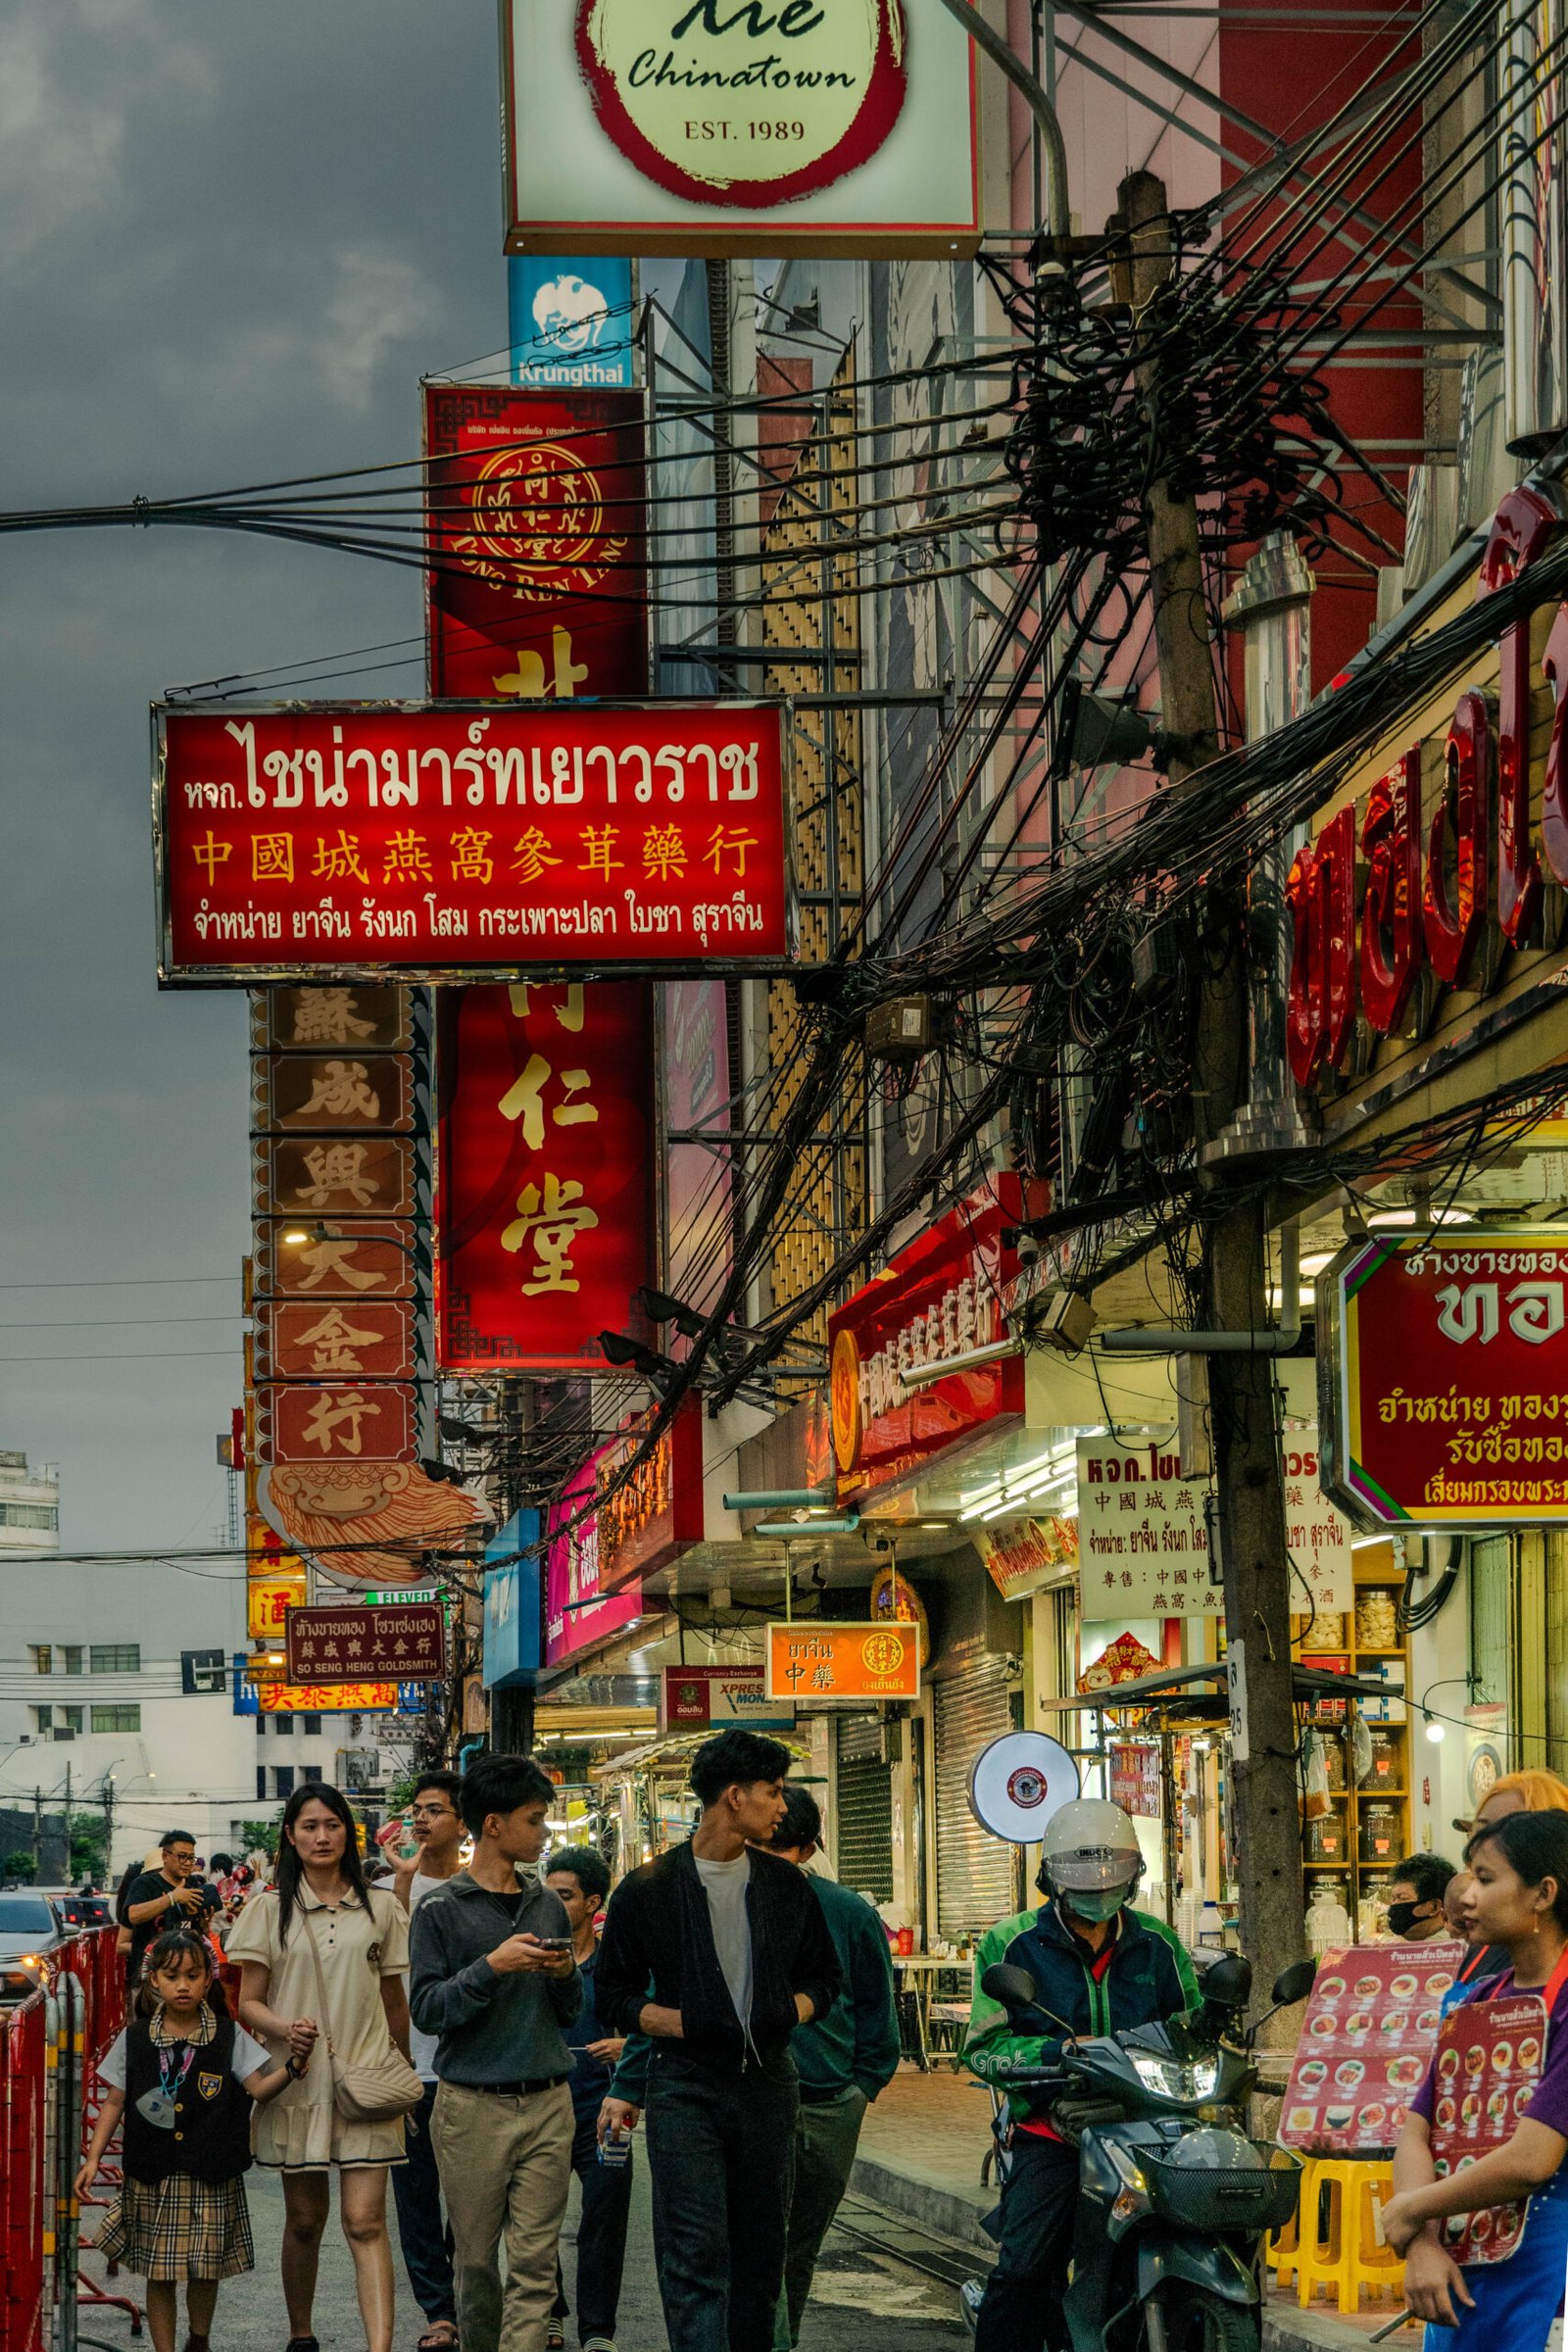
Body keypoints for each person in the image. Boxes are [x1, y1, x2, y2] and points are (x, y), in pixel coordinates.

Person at [595, 1729, 843, 2352]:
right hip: (683, 2088)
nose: (782, 1806)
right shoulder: (648, 1889)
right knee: (693, 2252)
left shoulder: (786, 1886)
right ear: (735, 1796)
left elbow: (825, 1979)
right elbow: (614, 1995)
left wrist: (786, 2012)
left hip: (769, 2084)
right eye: (774, 1792)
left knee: (762, 2253)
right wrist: (685, 2023)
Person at [963, 1798, 1200, 2352]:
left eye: (1110, 1882)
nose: (1098, 1895)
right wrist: (1059, 2052)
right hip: (1052, 2131)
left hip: (1147, 2129)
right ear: (1053, 1880)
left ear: (1132, 1877)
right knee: (1025, 2269)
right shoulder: (1011, 1943)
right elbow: (982, 2050)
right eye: (1084, 1885)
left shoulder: (1160, 1945)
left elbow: (1191, 2030)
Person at [227, 1782, 413, 2352]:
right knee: (305, 2221)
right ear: (291, 1835)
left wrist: (404, 2073)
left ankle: (378, 2347)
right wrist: (286, 2029)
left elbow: (394, 2001)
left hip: (367, 2079)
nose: (322, 1836)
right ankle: (301, 2335)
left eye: (333, 1825)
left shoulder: (382, 1907)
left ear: (348, 1834)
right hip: (298, 2080)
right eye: (309, 1826)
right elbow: (247, 2003)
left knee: (365, 2221)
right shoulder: (267, 1909)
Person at [409, 1752, 582, 2352]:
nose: (544, 1832)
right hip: (471, 2108)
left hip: (548, 2102)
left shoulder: (547, 1903)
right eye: (534, 1820)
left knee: (536, 2265)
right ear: (493, 1824)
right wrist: (491, 1967)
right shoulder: (440, 1909)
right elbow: (427, 2010)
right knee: (477, 2262)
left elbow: (569, 2012)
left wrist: (565, 1974)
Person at [76, 1928, 315, 2352]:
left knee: (206, 2268)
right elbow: (114, 2101)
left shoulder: (229, 2035)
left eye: (192, 1976)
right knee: (159, 2272)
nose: (182, 1985)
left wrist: (294, 2065)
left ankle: (198, 2339)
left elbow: (259, 2090)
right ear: (154, 1980)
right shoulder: (135, 2038)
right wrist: (93, 2160)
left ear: (208, 1980)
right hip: (152, 2172)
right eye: (172, 1976)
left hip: (212, 2170)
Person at [1383, 1810, 1568, 2344]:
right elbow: (1418, 2129)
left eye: (1485, 1879)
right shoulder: (1482, 1998)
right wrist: (1422, 2245)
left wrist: (1411, 2208)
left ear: (1543, 1893)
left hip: (1549, 2275)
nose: (1466, 1896)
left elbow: (1532, 2160)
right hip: (1457, 2270)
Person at [762, 1788, 899, 2352]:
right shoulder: (720, 1905)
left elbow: (877, 2009)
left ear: (804, 1849)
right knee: (756, 2240)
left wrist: (860, 2089)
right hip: (752, 2101)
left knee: (801, 2244)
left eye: (777, 1851)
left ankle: (782, 2339)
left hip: (829, 2104)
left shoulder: (848, 1912)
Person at [543, 1844, 647, 2352]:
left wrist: (626, 2048)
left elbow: (649, 2025)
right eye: (548, 1894)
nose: (553, 1904)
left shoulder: (615, 1967)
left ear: (592, 1903)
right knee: (537, 2221)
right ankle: (551, 2312)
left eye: (564, 1895)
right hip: (542, 2111)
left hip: (606, 2115)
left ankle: (598, 2330)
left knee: (604, 2221)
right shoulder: (535, 1962)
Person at [388, 1771, 465, 2352]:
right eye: (416, 1809)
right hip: (409, 2069)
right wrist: (402, 1882)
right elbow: (385, 1965)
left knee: (471, 2198)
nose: (420, 1818)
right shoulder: (389, 1888)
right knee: (415, 2199)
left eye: (434, 1810)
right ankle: (439, 2312)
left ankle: (466, 2294)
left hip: (466, 2069)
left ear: (465, 1824)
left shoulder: (481, 1888)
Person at [122, 1830, 219, 1987]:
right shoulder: (145, 1883)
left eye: (191, 1858)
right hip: (149, 1977)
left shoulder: (193, 1885)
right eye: (182, 1856)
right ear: (165, 1856)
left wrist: (203, 1925)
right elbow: (134, 1915)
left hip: (185, 1977)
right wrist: (172, 1898)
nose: (187, 1862)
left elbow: (195, 1935)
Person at [1386, 1854, 1458, 1942]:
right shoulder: (1418, 1940)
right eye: (1393, 1899)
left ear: (1434, 1907)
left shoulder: (1446, 1946)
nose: (1394, 1905)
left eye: (1402, 1898)